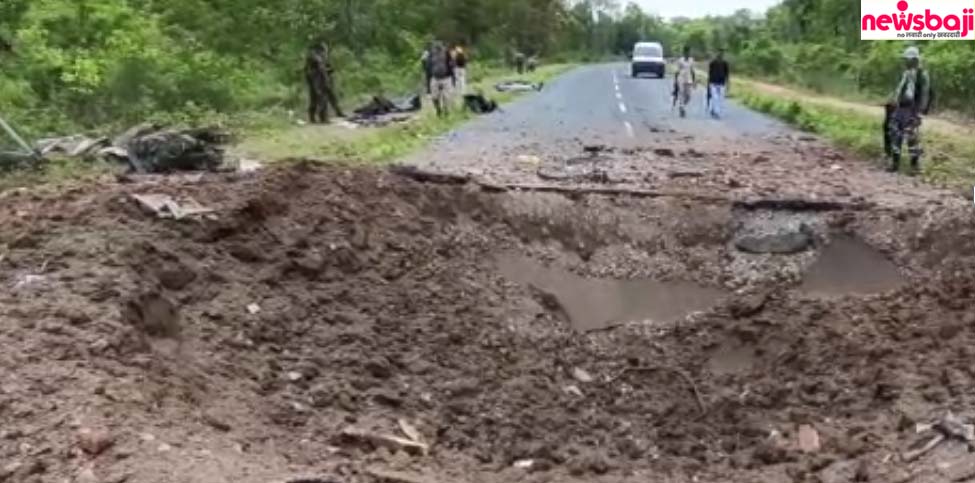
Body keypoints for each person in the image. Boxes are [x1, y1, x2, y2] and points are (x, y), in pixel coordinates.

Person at [887, 46, 931, 175]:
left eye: (909, 59)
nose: (907, 61)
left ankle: (915, 166)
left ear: (915, 60)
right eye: (906, 59)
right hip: (901, 107)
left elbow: (925, 94)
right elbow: (899, 90)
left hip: (913, 108)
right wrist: (894, 101)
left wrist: (920, 112)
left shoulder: (922, 74)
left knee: (912, 136)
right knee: (895, 134)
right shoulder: (906, 73)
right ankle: (895, 163)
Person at [304, 41, 344, 124]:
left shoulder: (322, 56)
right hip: (317, 80)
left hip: (321, 79)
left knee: (328, 97)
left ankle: (336, 113)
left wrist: (329, 71)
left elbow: (327, 67)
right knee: (320, 99)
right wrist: (325, 78)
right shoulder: (315, 56)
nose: (326, 50)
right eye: (324, 48)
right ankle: (321, 118)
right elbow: (320, 69)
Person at [428, 41, 455, 117]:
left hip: (446, 77)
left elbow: (452, 65)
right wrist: (428, 81)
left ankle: (446, 111)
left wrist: (453, 79)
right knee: (434, 97)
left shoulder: (446, 52)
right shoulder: (431, 54)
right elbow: (428, 67)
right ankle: (438, 109)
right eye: (436, 47)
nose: (437, 49)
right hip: (435, 77)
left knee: (447, 97)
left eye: (439, 47)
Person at [707, 49, 730, 119]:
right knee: (715, 97)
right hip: (713, 83)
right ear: (716, 54)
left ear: (723, 54)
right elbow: (709, 73)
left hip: (721, 83)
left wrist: (728, 83)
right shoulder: (712, 63)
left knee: (720, 98)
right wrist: (708, 84)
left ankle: (713, 110)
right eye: (718, 53)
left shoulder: (725, 63)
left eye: (721, 53)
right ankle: (717, 112)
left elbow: (727, 74)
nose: (720, 54)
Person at [675, 46, 696, 118]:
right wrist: (675, 82)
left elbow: (693, 71)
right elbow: (677, 71)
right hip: (681, 78)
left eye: (688, 52)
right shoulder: (680, 60)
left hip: (689, 79)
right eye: (686, 52)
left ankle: (682, 105)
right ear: (684, 52)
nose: (687, 53)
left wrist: (694, 81)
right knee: (681, 93)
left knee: (688, 96)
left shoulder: (691, 60)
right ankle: (682, 108)